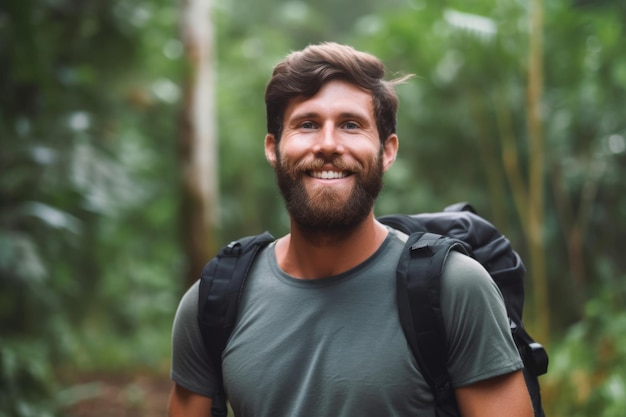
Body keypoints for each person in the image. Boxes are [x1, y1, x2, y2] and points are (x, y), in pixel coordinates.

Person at [168, 42, 533, 417]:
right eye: (307, 124)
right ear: (273, 149)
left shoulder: (455, 288)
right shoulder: (212, 302)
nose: (328, 144)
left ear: (386, 151)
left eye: (351, 125)